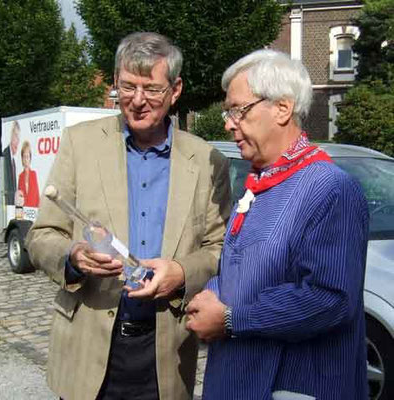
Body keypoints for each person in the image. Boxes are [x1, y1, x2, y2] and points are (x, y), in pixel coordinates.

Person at [25, 32, 231, 400]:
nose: (137, 101)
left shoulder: (207, 160)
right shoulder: (79, 144)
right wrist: (72, 256)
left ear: (176, 89)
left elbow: (221, 249)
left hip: (165, 352)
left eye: (151, 89)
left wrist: (182, 272)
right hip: (87, 348)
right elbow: (42, 236)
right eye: (127, 87)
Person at [186, 49, 369, 399]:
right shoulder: (263, 181)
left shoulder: (330, 189)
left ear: (282, 108)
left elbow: (329, 299)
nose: (228, 123)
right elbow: (251, 268)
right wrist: (213, 290)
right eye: (228, 112)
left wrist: (230, 320)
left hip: (293, 385)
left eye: (238, 110)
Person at [17, 140, 40, 207]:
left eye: (27, 157)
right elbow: (19, 198)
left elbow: (37, 196)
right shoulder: (20, 176)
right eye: (24, 157)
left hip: (33, 211)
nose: (26, 159)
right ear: (22, 159)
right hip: (23, 211)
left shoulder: (33, 174)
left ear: (30, 158)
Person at [2, 120, 20, 205]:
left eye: (19, 138)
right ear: (11, 136)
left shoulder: (13, 160)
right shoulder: (5, 156)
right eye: (16, 136)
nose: (18, 141)